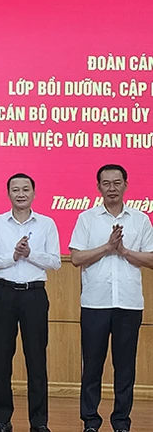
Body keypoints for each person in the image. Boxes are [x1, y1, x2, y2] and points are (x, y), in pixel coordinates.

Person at [69, 164, 153, 432]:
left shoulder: (140, 219)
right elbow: (76, 258)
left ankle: (121, 423)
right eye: (106, 183)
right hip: (95, 303)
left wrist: (124, 251)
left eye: (117, 183)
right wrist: (107, 247)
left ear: (126, 185)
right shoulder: (87, 218)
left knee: (125, 368)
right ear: (98, 187)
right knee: (92, 367)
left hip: (129, 303)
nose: (112, 188)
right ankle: (90, 422)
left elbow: (151, 259)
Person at [0, 173, 60, 432]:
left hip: (34, 295)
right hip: (3, 294)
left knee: (36, 360)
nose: (21, 193)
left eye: (26, 189)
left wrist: (30, 253)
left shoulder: (47, 224)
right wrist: (13, 256)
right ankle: (2, 420)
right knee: (2, 359)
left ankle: (39, 423)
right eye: (16, 189)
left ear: (34, 193)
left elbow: (55, 262)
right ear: (8, 194)